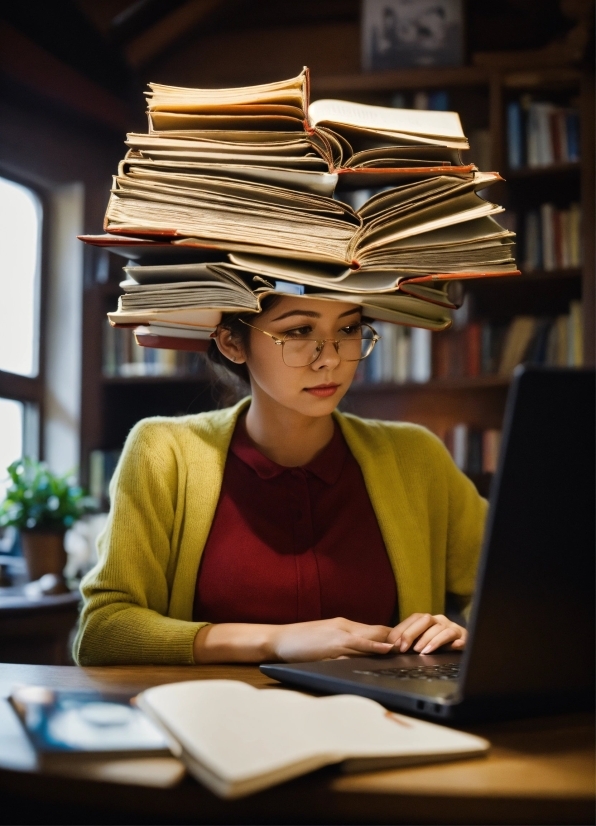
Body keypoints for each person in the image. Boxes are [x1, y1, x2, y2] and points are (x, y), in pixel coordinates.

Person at [74, 295, 487, 666]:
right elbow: (104, 630)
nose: (331, 359)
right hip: (221, 725)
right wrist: (274, 642)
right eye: (299, 331)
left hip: (387, 725)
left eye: (347, 329)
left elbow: (522, 601)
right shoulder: (165, 451)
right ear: (232, 343)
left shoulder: (415, 456)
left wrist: (464, 635)